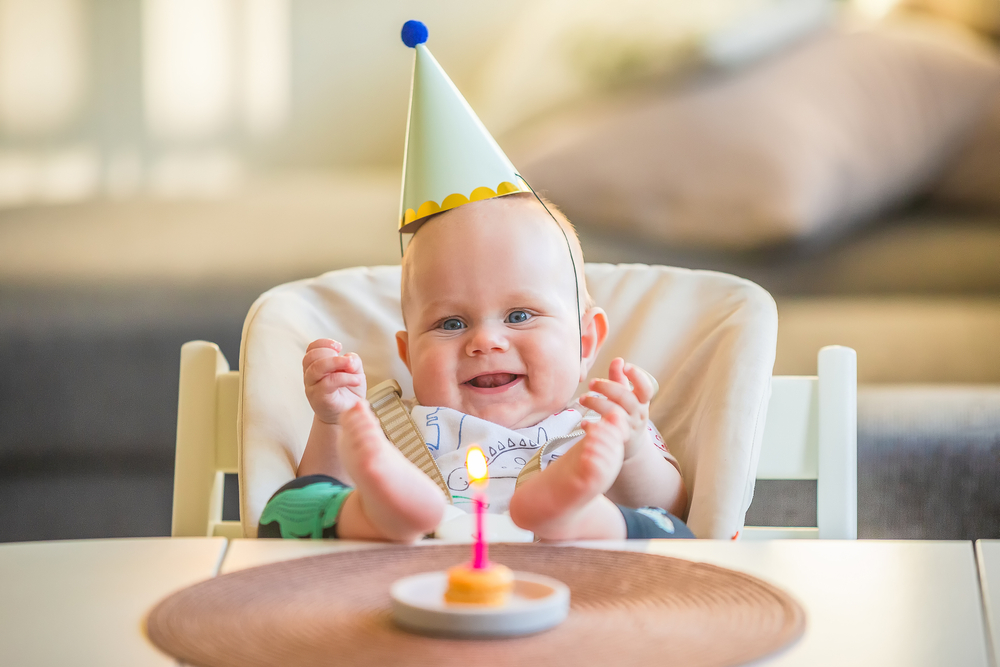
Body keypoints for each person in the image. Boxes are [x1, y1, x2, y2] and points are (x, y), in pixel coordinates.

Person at [258, 193, 691, 541]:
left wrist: (632, 448)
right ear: (409, 356)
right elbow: (322, 487)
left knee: (669, 533)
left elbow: (672, 506)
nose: (485, 341)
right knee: (291, 508)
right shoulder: (383, 426)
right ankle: (384, 516)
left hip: (573, 580)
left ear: (585, 343)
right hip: (407, 579)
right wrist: (334, 421)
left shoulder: (600, 426)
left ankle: (579, 519)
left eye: (520, 315)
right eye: (451, 323)